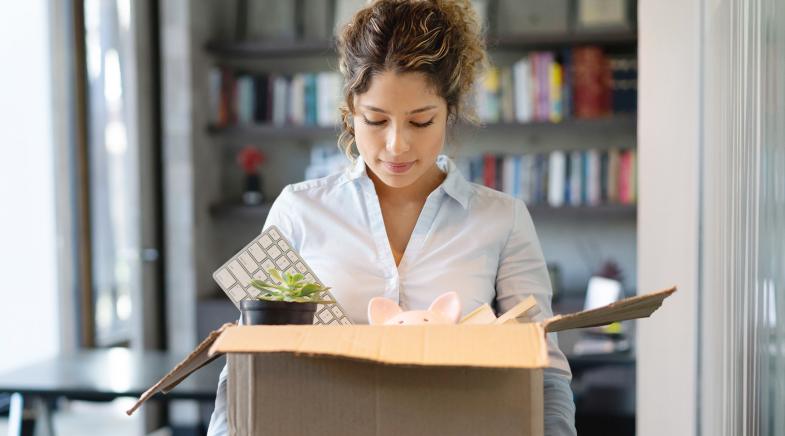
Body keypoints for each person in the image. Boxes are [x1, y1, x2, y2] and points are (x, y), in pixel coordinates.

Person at [207, 0, 576, 434]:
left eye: (421, 122)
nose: (397, 145)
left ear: (449, 113)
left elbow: (545, 368)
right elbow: (245, 363)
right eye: (376, 120)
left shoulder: (503, 219)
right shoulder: (299, 210)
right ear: (350, 112)